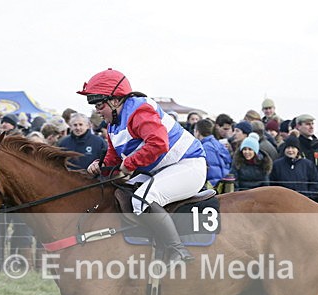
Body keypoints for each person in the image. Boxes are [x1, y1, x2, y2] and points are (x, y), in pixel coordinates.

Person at [79, 68, 206, 265]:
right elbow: (113, 157)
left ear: (115, 100)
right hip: (160, 170)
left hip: (188, 165)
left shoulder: (139, 111)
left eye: (99, 103)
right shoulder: (113, 123)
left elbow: (158, 144)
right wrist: (100, 165)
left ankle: (178, 251)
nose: (96, 109)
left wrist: (128, 164)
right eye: (94, 104)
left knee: (142, 199)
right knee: (120, 193)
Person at [268, 135, 318, 202]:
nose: (290, 150)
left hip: (304, 203)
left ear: (298, 150)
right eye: (288, 148)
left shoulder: (308, 165)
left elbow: (315, 184)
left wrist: (308, 198)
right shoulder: (277, 165)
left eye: (293, 148)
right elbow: (272, 184)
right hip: (283, 203)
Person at [193, 118, 231, 191]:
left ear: (197, 132)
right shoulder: (219, 144)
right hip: (224, 185)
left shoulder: (204, 147)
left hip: (212, 187)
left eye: (194, 131)